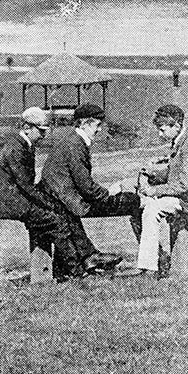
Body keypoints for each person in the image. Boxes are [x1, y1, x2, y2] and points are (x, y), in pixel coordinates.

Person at [0, 107, 94, 280]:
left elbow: (27, 186)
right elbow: (26, 186)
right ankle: (76, 271)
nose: (43, 135)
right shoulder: (16, 148)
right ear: (27, 127)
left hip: (19, 198)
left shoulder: (25, 144)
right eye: (41, 131)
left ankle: (79, 263)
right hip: (11, 202)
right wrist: (48, 201)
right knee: (56, 222)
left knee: (60, 211)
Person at [39, 103, 132, 272]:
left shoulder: (72, 140)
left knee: (68, 218)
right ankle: (90, 257)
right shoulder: (76, 144)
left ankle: (89, 258)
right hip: (59, 198)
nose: (99, 130)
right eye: (97, 125)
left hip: (57, 197)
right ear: (85, 124)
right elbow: (86, 186)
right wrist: (109, 193)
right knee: (131, 201)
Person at [133, 103, 188, 278]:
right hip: (182, 195)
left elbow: (185, 186)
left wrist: (154, 190)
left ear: (176, 125)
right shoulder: (180, 140)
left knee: (151, 209)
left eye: (162, 130)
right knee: (138, 206)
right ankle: (158, 260)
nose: (160, 134)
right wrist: (153, 172)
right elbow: (176, 173)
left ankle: (150, 268)